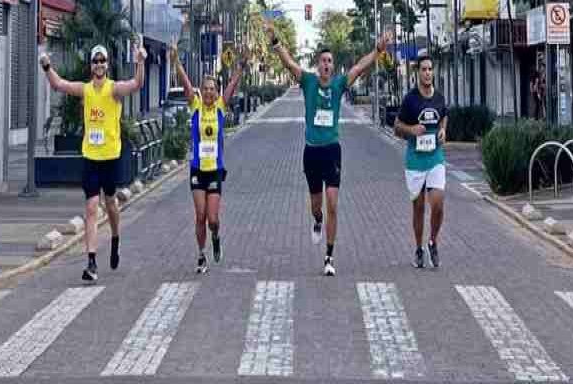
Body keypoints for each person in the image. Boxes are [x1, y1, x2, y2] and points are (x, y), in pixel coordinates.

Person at [266, 20, 388, 276]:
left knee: (333, 203)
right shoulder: (308, 81)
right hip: (312, 152)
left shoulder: (338, 84)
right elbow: (289, 63)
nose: (326, 64)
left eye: (330, 61)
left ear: (332, 66)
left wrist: (377, 50)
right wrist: (276, 42)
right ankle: (318, 220)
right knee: (317, 205)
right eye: (323, 60)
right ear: (317, 64)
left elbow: (359, 67)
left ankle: (329, 256)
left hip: (332, 150)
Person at [40, 41, 146, 281]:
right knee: (90, 207)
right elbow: (59, 84)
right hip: (90, 157)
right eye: (95, 61)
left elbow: (137, 84)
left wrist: (140, 61)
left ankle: (116, 237)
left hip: (110, 157)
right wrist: (46, 67)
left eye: (102, 61)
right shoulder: (86, 90)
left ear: (107, 65)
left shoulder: (114, 89)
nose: (99, 65)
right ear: (91, 66)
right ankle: (91, 262)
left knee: (110, 204)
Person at [171, 45, 247, 274]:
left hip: (215, 170)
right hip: (197, 170)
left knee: (213, 219)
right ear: (201, 92)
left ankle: (216, 236)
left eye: (212, 89)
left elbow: (232, 86)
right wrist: (176, 63)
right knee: (200, 215)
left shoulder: (221, 108)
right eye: (205, 89)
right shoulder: (195, 106)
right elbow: (185, 84)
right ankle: (201, 255)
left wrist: (241, 67)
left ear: (216, 92)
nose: (209, 93)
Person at [394, 55, 448, 269]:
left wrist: (443, 130)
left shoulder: (439, 98)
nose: (427, 73)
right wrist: (411, 130)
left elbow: (444, 115)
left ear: (433, 72)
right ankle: (419, 248)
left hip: (435, 157)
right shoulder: (410, 100)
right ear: (418, 73)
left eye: (430, 69)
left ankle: (433, 241)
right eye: (423, 69)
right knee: (418, 208)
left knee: (438, 203)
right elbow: (397, 126)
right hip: (415, 160)